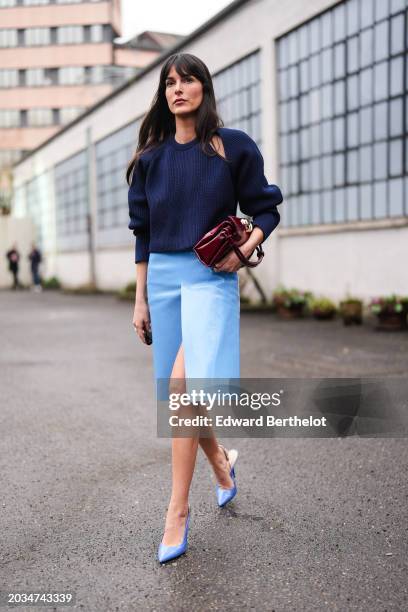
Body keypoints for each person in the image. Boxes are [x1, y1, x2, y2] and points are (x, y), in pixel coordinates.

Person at [127, 52, 283, 564]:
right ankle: (221, 463)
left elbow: (266, 207)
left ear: (203, 88)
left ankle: (177, 511)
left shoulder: (230, 146)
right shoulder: (150, 158)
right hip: (166, 282)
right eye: (169, 82)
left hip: (208, 278)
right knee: (185, 398)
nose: (178, 89)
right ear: (163, 95)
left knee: (180, 388)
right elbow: (143, 234)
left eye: (187, 80)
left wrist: (243, 250)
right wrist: (141, 297)